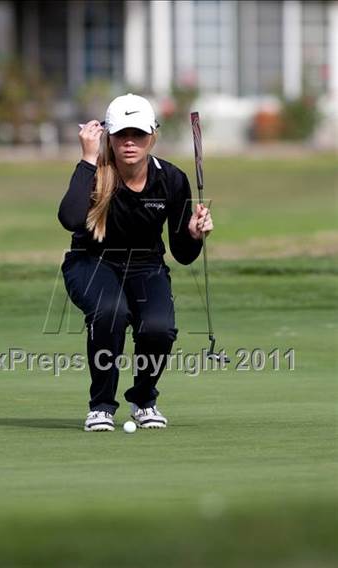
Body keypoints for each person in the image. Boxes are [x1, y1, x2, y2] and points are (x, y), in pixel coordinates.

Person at [58, 93, 213, 432]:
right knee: (111, 311)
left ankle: (143, 400)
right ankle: (101, 406)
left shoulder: (171, 179)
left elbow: (183, 254)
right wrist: (86, 158)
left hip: (146, 265)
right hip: (90, 262)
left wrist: (194, 234)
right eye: (121, 135)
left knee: (159, 329)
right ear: (108, 137)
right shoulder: (94, 172)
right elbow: (70, 219)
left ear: (152, 135)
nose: (130, 142)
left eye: (138, 134)